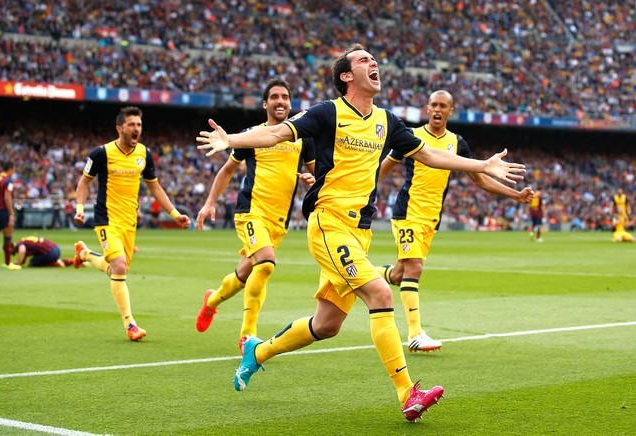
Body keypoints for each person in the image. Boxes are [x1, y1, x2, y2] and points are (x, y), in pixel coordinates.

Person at [197, 44, 525, 422]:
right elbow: (276, 135)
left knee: (326, 325)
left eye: (374, 60)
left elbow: (430, 155)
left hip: (360, 232)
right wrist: (231, 140)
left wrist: (481, 164)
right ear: (346, 76)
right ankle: (408, 392)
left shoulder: (387, 121)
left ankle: (258, 351)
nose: (374, 63)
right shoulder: (327, 112)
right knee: (380, 292)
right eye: (364, 60)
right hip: (329, 224)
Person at [378, 90, 533, 352]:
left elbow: (480, 179)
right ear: (427, 108)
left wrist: (515, 195)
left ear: (451, 111)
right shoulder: (411, 136)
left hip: (431, 218)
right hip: (408, 213)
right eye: (434, 105)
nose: (438, 110)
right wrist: (364, 191)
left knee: (400, 273)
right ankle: (415, 334)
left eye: (443, 106)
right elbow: (385, 166)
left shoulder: (457, 143)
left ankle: (375, 274)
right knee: (414, 268)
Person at [194, 79, 315, 351]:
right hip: (251, 212)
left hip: (279, 220)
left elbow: (318, 174)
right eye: (275, 97)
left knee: (245, 272)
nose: (280, 101)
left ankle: (212, 300)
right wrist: (209, 203)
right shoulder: (251, 135)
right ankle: (248, 336)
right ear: (265, 104)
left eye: (285, 97)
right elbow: (227, 170)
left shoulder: (302, 138)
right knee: (266, 263)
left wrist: (313, 180)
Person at [73, 106, 191, 341]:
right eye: (131, 125)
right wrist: (79, 209)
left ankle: (85, 254)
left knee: (117, 269)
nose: (136, 129)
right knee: (119, 265)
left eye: (139, 124)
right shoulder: (101, 153)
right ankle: (130, 325)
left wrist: (175, 213)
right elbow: (84, 182)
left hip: (129, 222)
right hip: (106, 219)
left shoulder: (144, 154)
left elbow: (154, 187)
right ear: (120, 128)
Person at [0, 161, 21, 270]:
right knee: (8, 236)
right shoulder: (8, 181)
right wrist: (11, 213)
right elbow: (7, 197)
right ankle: (8, 263)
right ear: (10, 169)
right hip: (4, 210)